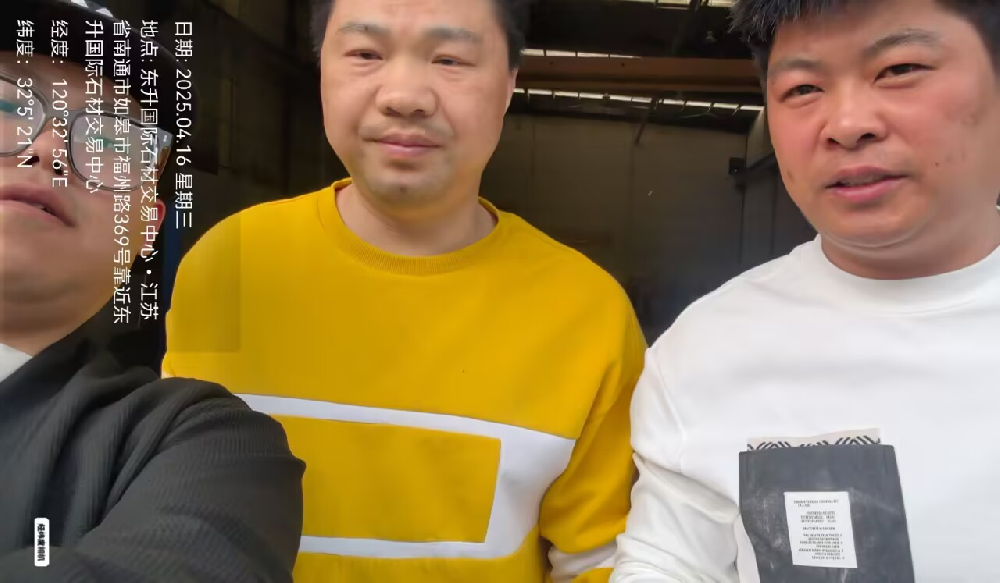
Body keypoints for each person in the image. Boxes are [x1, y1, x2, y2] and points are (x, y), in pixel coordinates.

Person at [162, 0, 647, 581]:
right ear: (322, 68)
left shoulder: (587, 313)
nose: (405, 96)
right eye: (366, 53)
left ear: (509, 84)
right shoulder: (229, 264)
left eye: (450, 59)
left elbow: (595, 561)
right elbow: (177, 506)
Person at [612, 0, 1000, 580]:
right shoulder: (704, 350)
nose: (847, 124)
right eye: (802, 89)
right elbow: (668, 562)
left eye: (899, 69)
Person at [0, 1, 305, 581]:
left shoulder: (198, 447)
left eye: (112, 140)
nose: (50, 151)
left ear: (146, 228)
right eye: (9, 104)